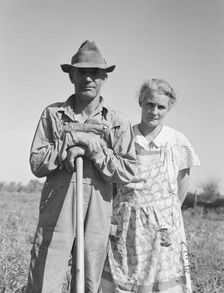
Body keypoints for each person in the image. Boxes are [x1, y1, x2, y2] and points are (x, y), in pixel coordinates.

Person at [25, 40, 137, 293]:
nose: (88, 78)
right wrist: (70, 140)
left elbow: (128, 171)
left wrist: (95, 150)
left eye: (95, 73)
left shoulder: (117, 121)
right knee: (47, 269)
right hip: (59, 202)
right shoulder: (53, 114)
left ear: (104, 78)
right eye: (82, 72)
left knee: (90, 273)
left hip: (99, 204)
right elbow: (37, 163)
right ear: (71, 75)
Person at [101, 79, 200, 293]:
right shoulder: (124, 136)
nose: (154, 111)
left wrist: (167, 214)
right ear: (141, 103)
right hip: (126, 221)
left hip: (162, 224)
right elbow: (112, 179)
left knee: (162, 283)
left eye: (160, 107)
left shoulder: (175, 140)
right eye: (149, 104)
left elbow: (182, 182)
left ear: (168, 108)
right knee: (122, 279)